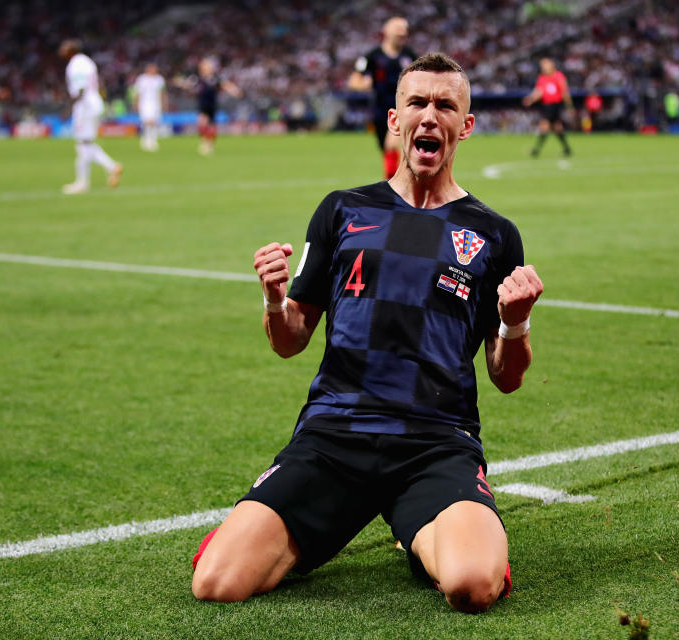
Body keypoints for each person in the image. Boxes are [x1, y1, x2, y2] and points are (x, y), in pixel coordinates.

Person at [191, 53, 544, 614]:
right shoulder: (343, 210)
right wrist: (273, 297)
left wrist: (516, 320)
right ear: (394, 120)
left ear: (466, 125)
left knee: (472, 585)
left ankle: (422, 533)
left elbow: (505, 377)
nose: (430, 116)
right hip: (336, 435)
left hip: (435, 442)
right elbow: (290, 339)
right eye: (417, 103)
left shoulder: (495, 235)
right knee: (217, 582)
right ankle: (393, 524)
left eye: (445, 105)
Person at [348, 17, 417, 179]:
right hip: (380, 111)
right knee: (387, 150)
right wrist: (363, 84)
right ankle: (394, 183)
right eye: (398, 28)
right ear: (386, 32)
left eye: (404, 29)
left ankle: (393, 186)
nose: (403, 32)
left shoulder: (410, 56)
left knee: (392, 144)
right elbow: (353, 81)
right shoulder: (372, 57)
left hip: (403, 108)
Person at [59, 39, 123, 194]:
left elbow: (80, 89)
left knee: (82, 143)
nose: (61, 50)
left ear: (72, 50)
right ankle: (110, 167)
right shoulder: (87, 62)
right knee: (85, 143)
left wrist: (68, 109)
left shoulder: (76, 64)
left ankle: (83, 182)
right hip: (93, 103)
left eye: (64, 47)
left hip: (85, 106)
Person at [173, 58, 243, 156]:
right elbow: (187, 84)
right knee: (201, 122)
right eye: (204, 66)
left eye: (208, 66)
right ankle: (204, 142)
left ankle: (210, 144)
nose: (206, 68)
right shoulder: (197, 79)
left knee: (212, 125)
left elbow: (226, 85)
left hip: (212, 105)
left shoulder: (215, 78)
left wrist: (235, 91)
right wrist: (179, 82)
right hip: (202, 104)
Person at [522, 57, 573, 158]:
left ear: (551, 65)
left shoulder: (558, 76)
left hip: (555, 105)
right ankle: (567, 149)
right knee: (558, 128)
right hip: (546, 105)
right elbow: (539, 91)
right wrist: (531, 99)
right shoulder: (542, 78)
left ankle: (536, 150)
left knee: (544, 126)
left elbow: (564, 92)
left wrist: (569, 106)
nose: (543, 67)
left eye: (545, 65)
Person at [133, 63, 167, 152]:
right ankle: (146, 139)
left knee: (155, 121)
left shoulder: (159, 79)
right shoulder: (142, 79)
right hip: (145, 102)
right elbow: (137, 92)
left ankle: (153, 139)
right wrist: (135, 103)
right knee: (147, 121)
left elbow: (162, 92)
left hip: (156, 102)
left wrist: (163, 103)